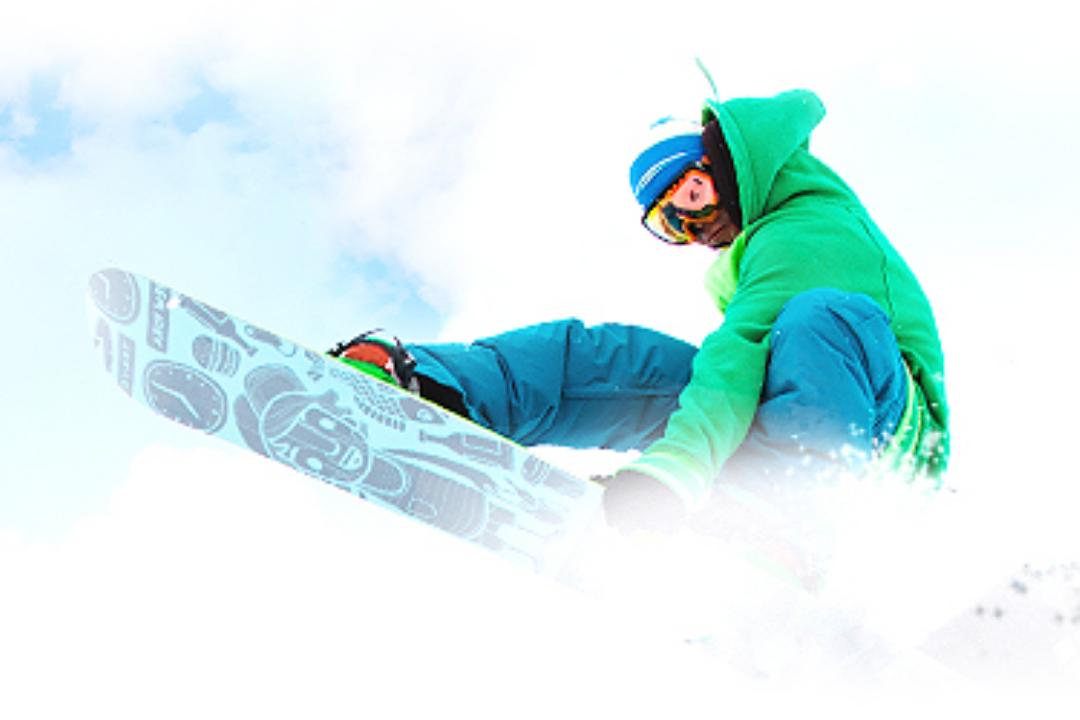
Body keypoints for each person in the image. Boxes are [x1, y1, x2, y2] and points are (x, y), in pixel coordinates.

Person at [329, 88, 949, 541]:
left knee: (818, 321)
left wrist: (675, 469)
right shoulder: (757, 249)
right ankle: (432, 387)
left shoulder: (806, 230)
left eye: (692, 197)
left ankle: (782, 527)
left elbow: (737, 357)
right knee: (617, 358)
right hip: (789, 430)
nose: (694, 228)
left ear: (727, 168)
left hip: (887, 446)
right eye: (668, 223)